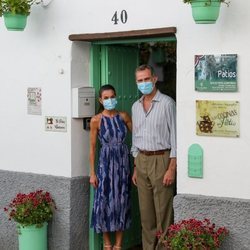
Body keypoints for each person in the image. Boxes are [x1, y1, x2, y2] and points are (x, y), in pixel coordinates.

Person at [131, 65, 177, 250]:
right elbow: (136, 136)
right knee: (146, 214)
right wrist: (135, 165)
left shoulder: (167, 103)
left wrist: (171, 169)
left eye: (146, 79)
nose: (144, 83)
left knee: (163, 213)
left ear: (154, 79)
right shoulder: (135, 106)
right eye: (140, 80)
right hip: (141, 160)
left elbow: (175, 138)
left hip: (161, 159)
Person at [89, 84, 132, 250]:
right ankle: (107, 244)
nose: (109, 100)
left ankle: (118, 245)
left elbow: (139, 137)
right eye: (106, 98)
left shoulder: (124, 116)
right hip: (105, 166)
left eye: (112, 97)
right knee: (104, 202)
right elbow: (92, 148)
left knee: (121, 201)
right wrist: (92, 173)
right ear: (101, 100)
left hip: (122, 165)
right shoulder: (96, 120)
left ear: (116, 97)